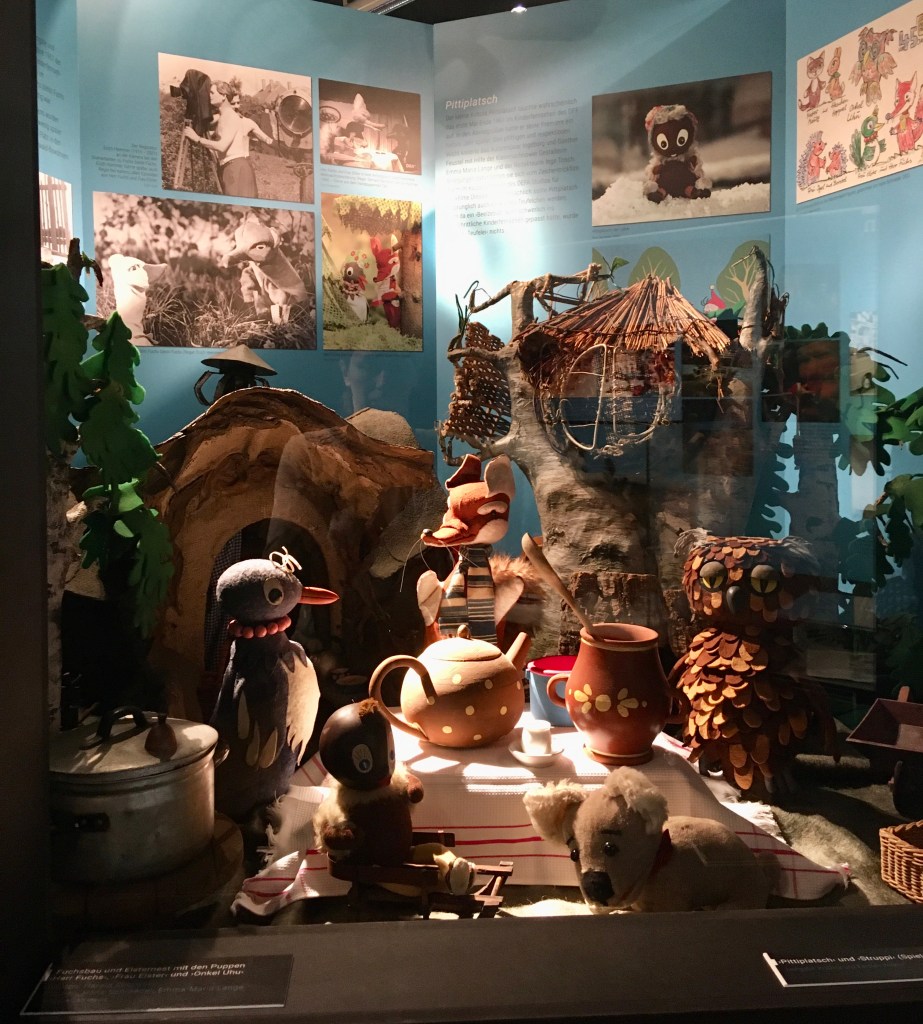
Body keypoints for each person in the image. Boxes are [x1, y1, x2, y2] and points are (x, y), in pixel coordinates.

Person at [183, 80, 275, 198]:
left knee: (239, 207)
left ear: (223, 96)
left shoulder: (231, 117)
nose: (209, 96)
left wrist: (197, 138)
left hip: (236, 168)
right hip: (230, 168)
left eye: (212, 93)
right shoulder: (224, 116)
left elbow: (222, 146)